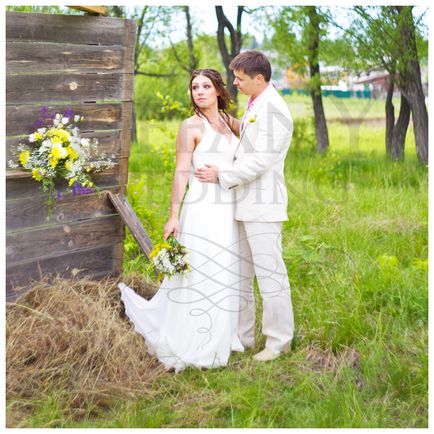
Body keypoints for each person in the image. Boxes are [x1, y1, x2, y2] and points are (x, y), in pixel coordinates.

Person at [118, 69, 246, 373]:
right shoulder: (191, 126)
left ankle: (222, 332)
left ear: (218, 90)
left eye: (205, 86)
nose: (199, 92)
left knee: (225, 265)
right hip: (201, 207)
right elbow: (180, 173)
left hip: (228, 206)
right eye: (194, 87)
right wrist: (173, 215)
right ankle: (194, 335)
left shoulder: (229, 122)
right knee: (202, 267)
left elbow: (258, 139)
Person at [195, 50, 295, 362]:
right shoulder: (257, 103)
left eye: (240, 78)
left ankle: (279, 343)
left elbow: (261, 160)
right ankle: (243, 335)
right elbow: (251, 137)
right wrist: (225, 121)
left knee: (270, 275)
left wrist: (221, 174)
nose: (234, 82)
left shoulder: (275, 110)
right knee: (241, 273)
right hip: (243, 204)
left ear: (259, 79)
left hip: (263, 206)